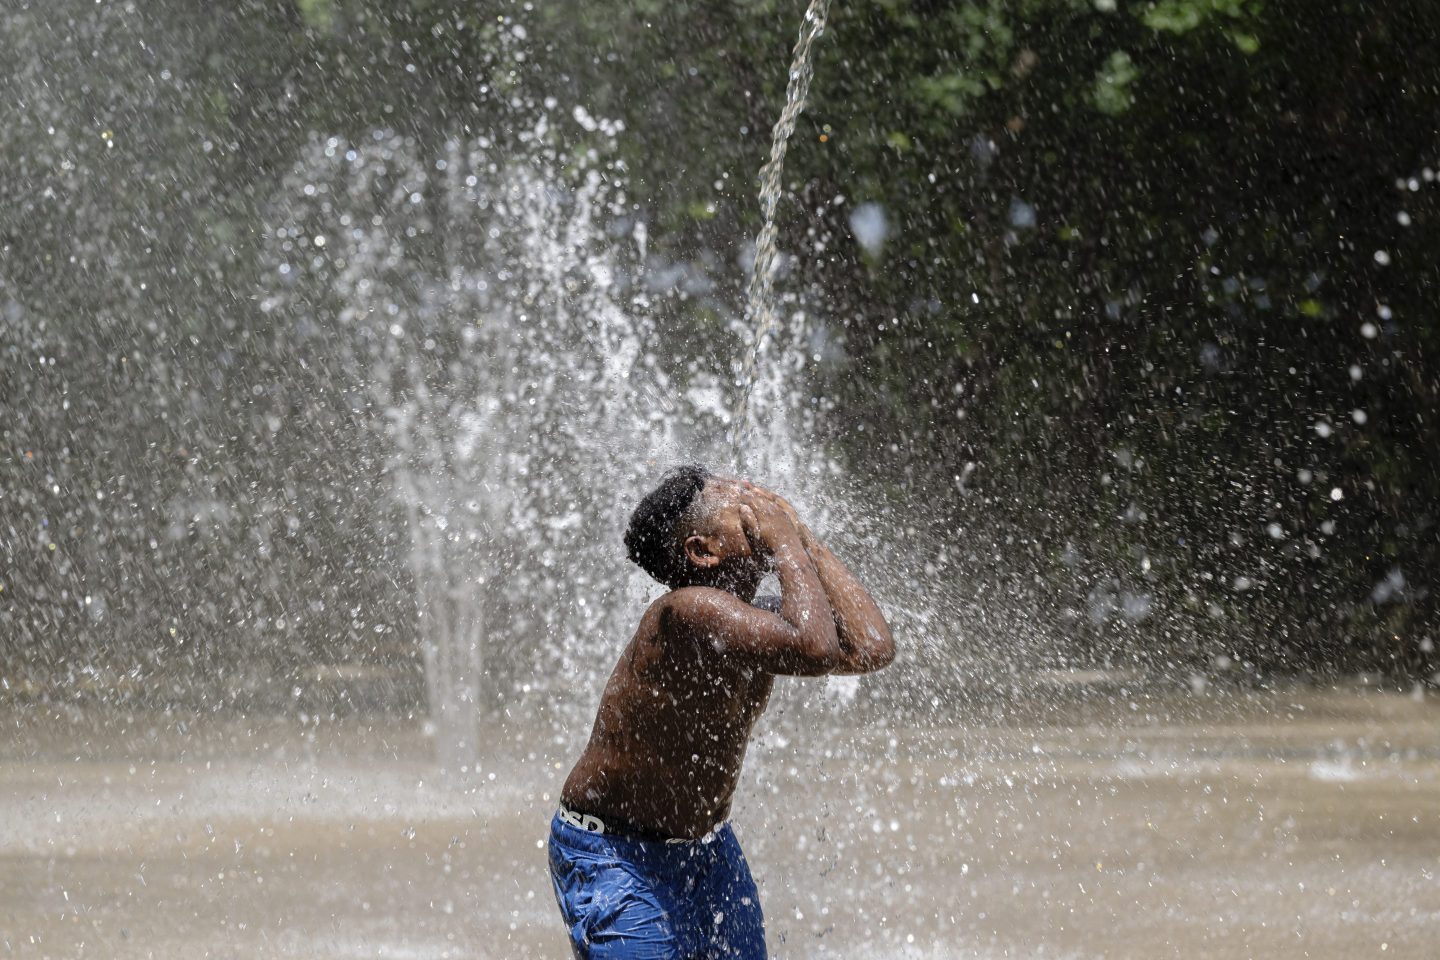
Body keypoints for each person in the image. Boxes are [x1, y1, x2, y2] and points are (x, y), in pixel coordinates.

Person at [548, 465, 895, 959]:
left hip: (706, 851)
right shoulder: (684, 613)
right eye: (737, 500)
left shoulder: (759, 623)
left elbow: (872, 646)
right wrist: (784, 543)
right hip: (616, 854)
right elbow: (815, 646)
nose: (756, 499)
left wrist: (805, 539)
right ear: (703, 550)